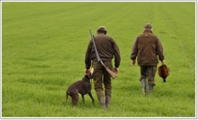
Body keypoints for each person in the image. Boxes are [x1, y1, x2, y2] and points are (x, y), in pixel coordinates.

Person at [85, 26, 121, 108]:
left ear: (97, 32)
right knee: (108, 82)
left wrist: (87, 67)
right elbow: (117, 53)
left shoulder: (93, 40)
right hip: (108, 63)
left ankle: (103, 106)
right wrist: (116, 65)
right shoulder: (110, 39)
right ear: (105, 32)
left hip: (96, 64)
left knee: (98, 84)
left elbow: (87, 54)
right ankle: (107, 104)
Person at [130, 23, 165, 95]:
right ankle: (150, 93)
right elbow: (160, 50)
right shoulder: (155, 37)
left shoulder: (139, 37)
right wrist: (162, 60)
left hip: (142, 61)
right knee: (151, 77)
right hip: (152, 61)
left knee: (143, 75)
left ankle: (143, 91)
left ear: (144, 29)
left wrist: (133, 59)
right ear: (151, 29)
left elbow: (134, 49)